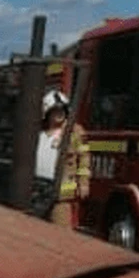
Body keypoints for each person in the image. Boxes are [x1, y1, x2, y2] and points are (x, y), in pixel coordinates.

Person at [33, 90, 90, 225]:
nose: (59, 114)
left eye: (62, 110)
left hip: (60, 195)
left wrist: (83, 183)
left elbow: (84, 158)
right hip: (36, 191)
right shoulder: (38, 131)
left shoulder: (75, 131)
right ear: (47, 113)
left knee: (60, 230)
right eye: (55, 110)